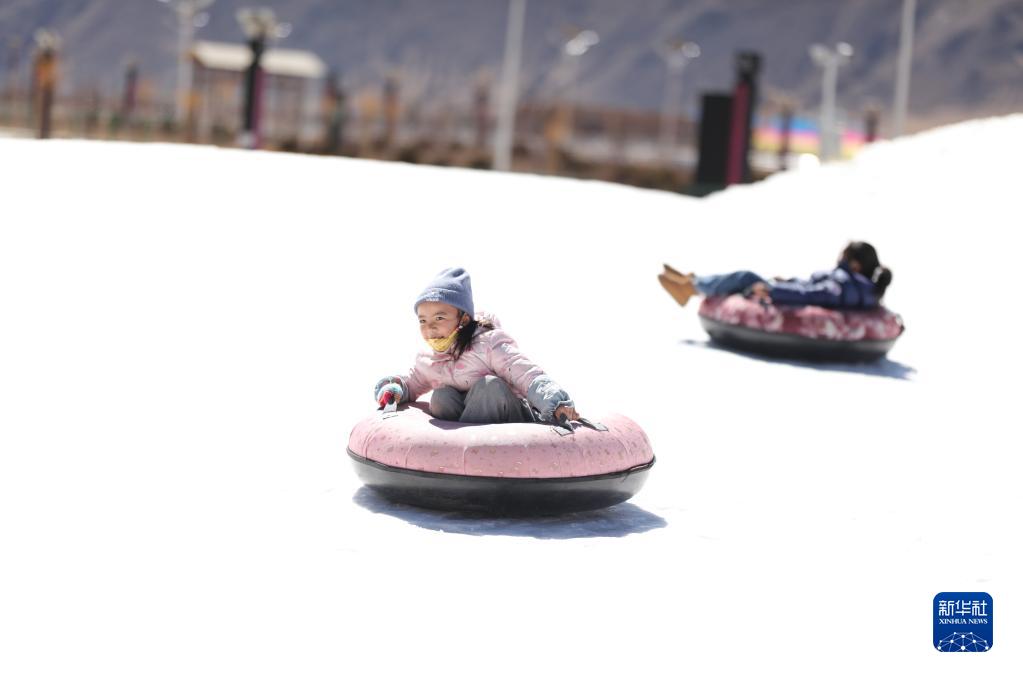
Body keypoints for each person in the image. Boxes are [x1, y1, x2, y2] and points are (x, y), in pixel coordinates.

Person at [373, 267, 579, 425]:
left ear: (463, 319)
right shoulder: (429, 359)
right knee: (442, 397)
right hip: (469, 424)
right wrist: (394, 389)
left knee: (489, 387)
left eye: (439, 318)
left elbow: (523, 372)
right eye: (423, 321)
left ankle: (467, 451)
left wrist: (554, 402)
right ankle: (456, 451)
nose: (430, 328)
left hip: (510, 416)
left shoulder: (488, 343)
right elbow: (412, 384)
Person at [658, 241, 893, 309]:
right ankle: (692, 281)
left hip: (786, 300)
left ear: (855, 265)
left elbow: (814, 294)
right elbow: (814, 287)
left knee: (746, 278)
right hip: (790, 291)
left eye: (842, 258)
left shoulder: (844, 283)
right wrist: (789, 282)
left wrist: (774, 290)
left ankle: (690, 287)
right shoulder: (856, 285)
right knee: (750, 278)